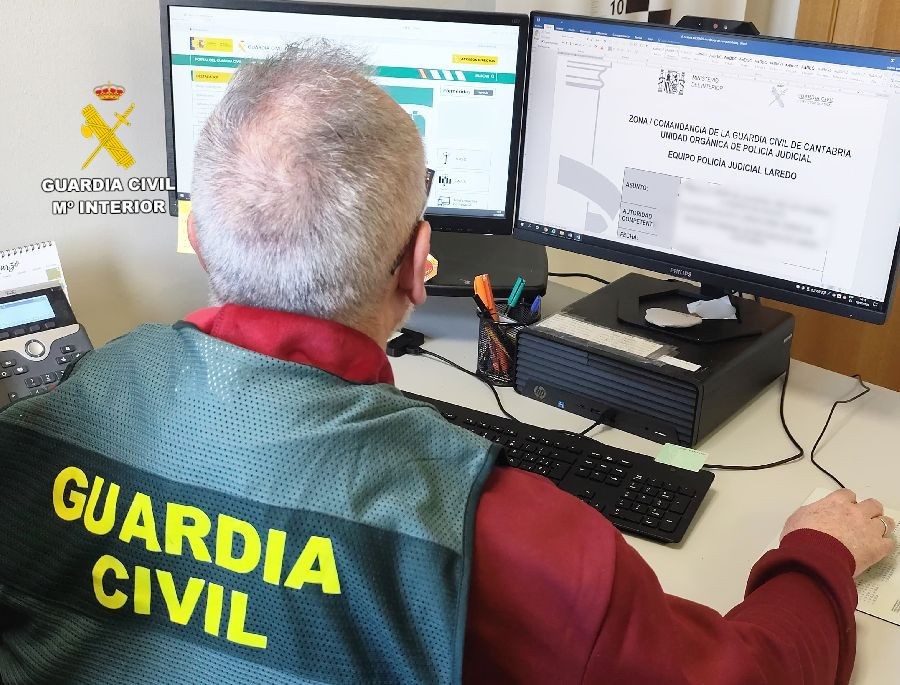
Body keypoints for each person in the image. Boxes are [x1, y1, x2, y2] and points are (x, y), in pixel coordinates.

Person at [0, 42, 894, 685]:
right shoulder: (499, 536)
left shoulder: (44, 423)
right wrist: (818, 555)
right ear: (417, 263)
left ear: (197, 237)